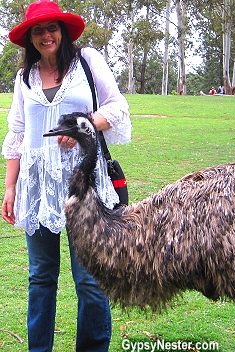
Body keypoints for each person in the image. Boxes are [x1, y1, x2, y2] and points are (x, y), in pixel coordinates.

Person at [2, 0, 131, 350]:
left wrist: (85, 124)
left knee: (89, 279)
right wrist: (10, 187)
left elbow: (118, 107)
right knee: (41, 277)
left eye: (52, 27)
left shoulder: (87, 62)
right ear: (30, 37)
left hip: (83, 187)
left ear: (63, 31)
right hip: (38, 190)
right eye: (38, 30)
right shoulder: (24, 77)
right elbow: (17, 134)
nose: (46, 35)